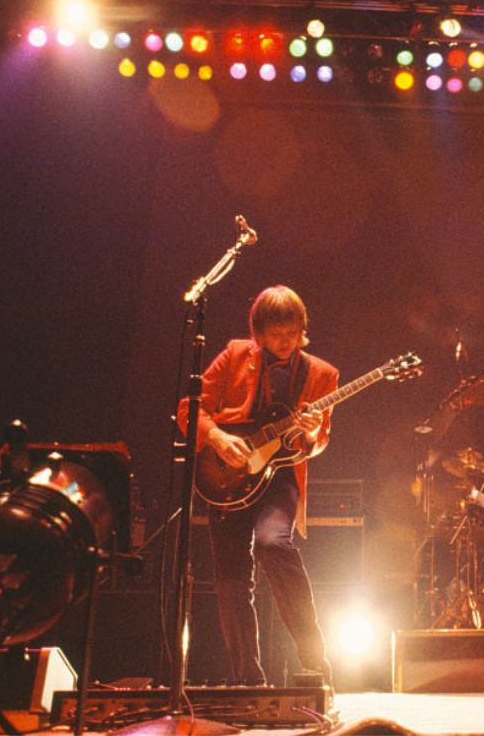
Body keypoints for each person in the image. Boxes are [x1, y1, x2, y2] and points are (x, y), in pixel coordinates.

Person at [179, 285, 339, 686]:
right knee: (231, 581)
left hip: (279, 476)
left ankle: (314, 662)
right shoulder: (235, 355)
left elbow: (315, 445)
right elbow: (188, 409)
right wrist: (216, 438)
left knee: (273, 545)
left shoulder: (322, 374)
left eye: (292, 331)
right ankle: (247, 681)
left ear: (302, 328)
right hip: (225, 475)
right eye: (275, 333)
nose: (284, 341)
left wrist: (313, 431)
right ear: (259, 332)